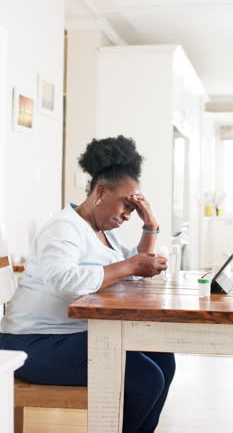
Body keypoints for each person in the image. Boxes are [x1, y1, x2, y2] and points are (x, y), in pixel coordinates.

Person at [0, 135, 175, 433]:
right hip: (32, 341)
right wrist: (132, 264)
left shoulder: (103, 232)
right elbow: (67, 282)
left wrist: (150, 227)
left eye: (133, 211)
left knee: (163, 358)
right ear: (101, 190)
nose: (127, 216)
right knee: (146, 378)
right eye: (125, 205)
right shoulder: (64, 227)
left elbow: (131, 270)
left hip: (70, 336)